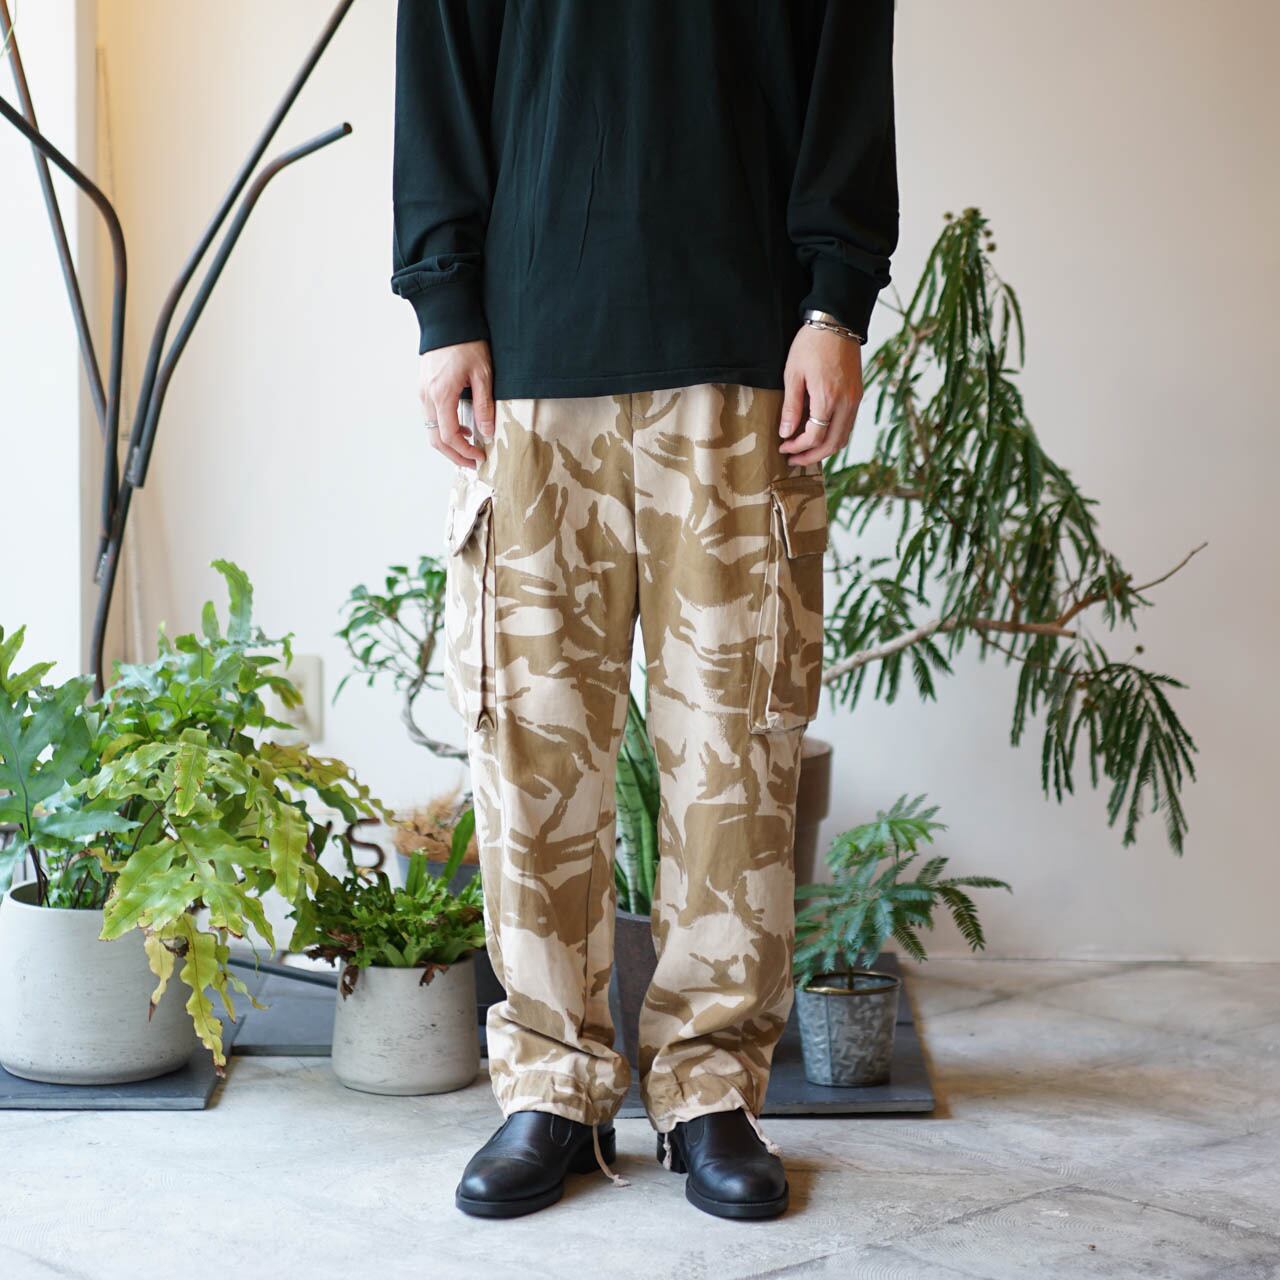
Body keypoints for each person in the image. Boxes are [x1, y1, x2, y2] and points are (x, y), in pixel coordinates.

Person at [391, 0, 898, 1221]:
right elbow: (441, 54)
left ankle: (709, 1089)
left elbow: (844, 57)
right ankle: (551, 1088)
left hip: (740, 350)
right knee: (530, 744)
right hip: (532, 348)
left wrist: (834, 302)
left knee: (735, 746)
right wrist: (444, 305)